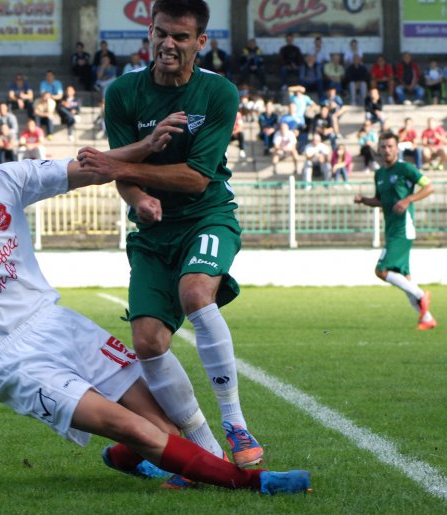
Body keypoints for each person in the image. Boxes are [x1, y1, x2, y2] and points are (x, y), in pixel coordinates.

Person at [0, 98, 311, 496]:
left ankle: (127, 459)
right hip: (12, 359)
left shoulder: (3, 180)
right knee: (134, 428)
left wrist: (144, 146)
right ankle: (252, 483)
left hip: (60, 323)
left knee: (162, 429)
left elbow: (88, 168)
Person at [98, 0, 264, 474]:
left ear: (201, 42)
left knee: (195, 292)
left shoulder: (218, 93)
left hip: (207, 214)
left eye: (181, 37)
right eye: (160, 33)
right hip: (152, 233)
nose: (168, 44)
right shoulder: (123, 93)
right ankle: (207, 450)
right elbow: (122, 173)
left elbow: (196, 177)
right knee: (148, 342)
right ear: (149, 34)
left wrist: (122, 165)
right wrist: (136, 196)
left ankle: (235, 422)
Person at [354, 132, 437, 331]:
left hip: (403, 228)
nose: (387, 150)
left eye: (390, 146)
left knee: (381, 270)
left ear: (397, 148)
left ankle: (420, 296)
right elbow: (381, 200)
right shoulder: (379, 174)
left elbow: (429, 187)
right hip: (391, 229)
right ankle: (426, 317)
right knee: (404, 277)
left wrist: (408, 199)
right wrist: (364, 200)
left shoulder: (405, 168)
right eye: (383, 147)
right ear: (379, 150)